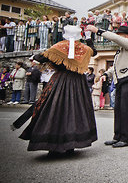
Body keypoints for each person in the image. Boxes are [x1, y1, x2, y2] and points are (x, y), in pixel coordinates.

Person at [14, 25, 97, 155]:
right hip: (78, 82)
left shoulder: (58, 47)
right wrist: (88, 39)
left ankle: (53, 144)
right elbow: (94, 51)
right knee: (76, 110)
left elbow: (41, 58)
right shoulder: (84, 49)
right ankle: (72, 144)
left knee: (54, 109)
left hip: (61, 80)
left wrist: (36, 55)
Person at [86, 24, 128, 148]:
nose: (117, 36)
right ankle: (117, 136)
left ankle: (126, 138)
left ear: (125, 36)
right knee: (118, 109)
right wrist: (106, 73)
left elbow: (116, 39)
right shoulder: (121, 51)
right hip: (121, 80)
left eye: (119, 34)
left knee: (125, 109)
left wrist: (98, 31)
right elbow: (115, 66)